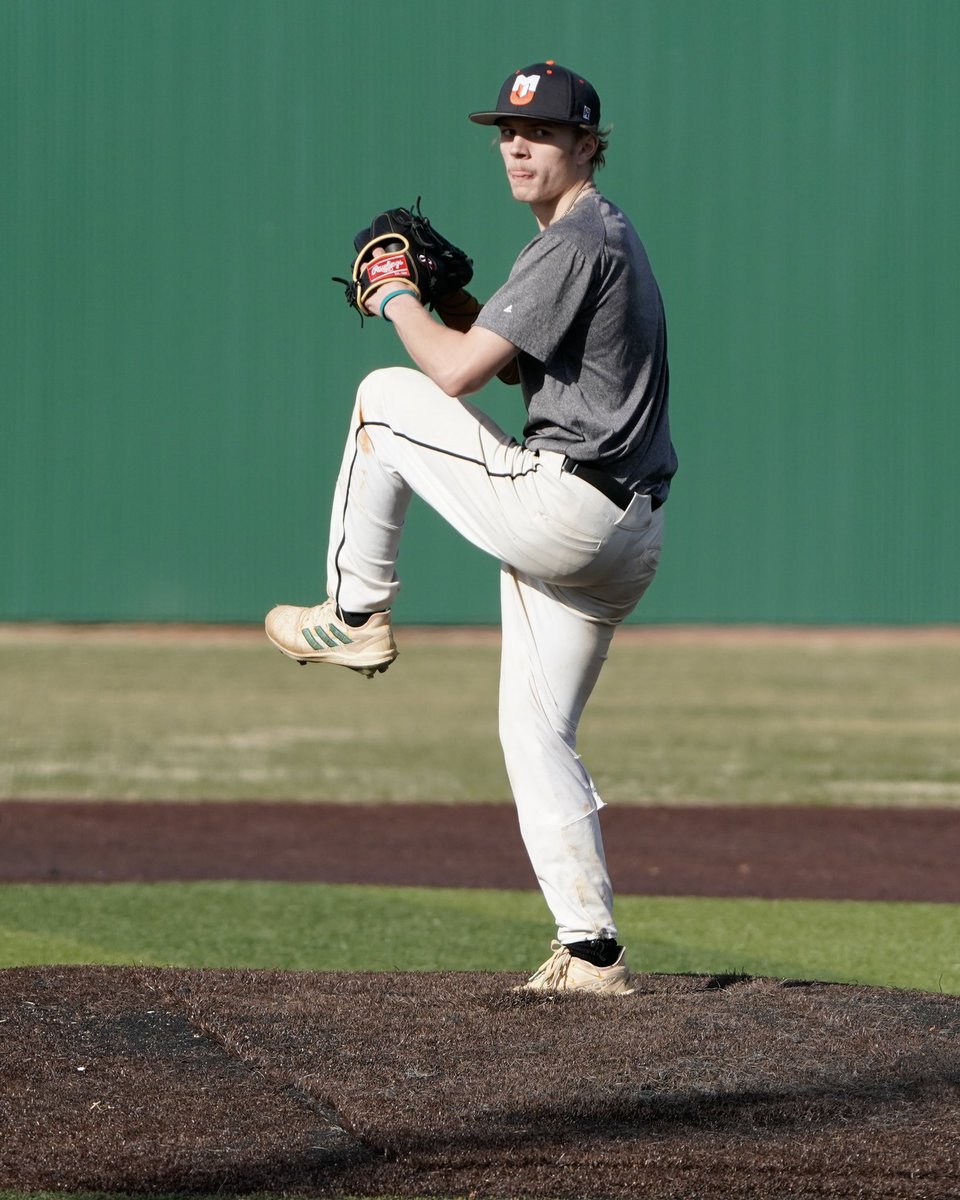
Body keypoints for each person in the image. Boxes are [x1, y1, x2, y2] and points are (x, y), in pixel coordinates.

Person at [265, 61, 677, 995]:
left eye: (542, 133)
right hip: (627, 533)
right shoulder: (601, 235)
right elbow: (507, 363)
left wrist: (396, 294)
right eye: (507, 132)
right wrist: (454, 305)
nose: (519, 147)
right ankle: (592, 951)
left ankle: (355, 611)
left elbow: (450, 375)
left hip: (568, 507)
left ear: (587, 144)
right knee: (535, 733)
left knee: (384, 399)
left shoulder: (575, 239)